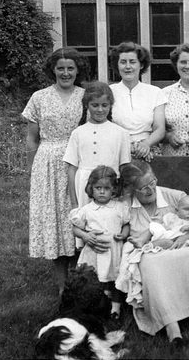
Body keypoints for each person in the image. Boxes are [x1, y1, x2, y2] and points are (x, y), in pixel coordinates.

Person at [115, 162, 189, 346]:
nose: (150, 190)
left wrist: (188, 235)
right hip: (149, 253)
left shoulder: (176, 197)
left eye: (152, 182)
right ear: (131, 189)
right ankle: (173, 327)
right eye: (143, 188)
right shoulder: (124, 205)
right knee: (150, 263)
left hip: (180, 247)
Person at [22, 47, 90, 297]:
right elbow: (32, 139)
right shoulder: (39, 97)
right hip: (48, 163)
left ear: (77, 70)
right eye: (60, 68)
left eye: (70, 68)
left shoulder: (85, 96)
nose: (65, 72)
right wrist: (32, 171)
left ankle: (80, 279)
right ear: (53, 70)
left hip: (79, 162)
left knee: (78, 216)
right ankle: (63, 286)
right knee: (54, 221)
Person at [70, 166, 130, 320]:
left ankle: (115, 307)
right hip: (94, 252)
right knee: (97, 279)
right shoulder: (86, 210)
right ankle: (100, 305)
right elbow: (75, 228)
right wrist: (85, 235)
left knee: (114, 278)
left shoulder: (119, 207)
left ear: (114, 189)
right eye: (98, 188)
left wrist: (123, 234)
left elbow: (126, 224)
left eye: (106, 188)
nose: (102, 192)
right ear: (91, 189)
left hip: (114, 250)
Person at [64, 81, 131, 211]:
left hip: (110, 186)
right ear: (87, 105)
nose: (100, 110)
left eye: (104, 105)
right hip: (84, 185)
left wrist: (123, 195)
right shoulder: (78, 133)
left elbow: (124, 168)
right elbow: (71, 169)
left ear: (110, 105)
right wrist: (74, 203)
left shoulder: (121, 133)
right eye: (95, 105)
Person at [109, 42, 166, 162]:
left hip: (148, 150)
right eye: (123, 62)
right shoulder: (109, 92)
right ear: (117, 65)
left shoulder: (155, 92)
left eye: (133, 62)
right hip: (116, 151)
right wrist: (126, 147)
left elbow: (160, 128)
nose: (128, 66)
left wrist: (146, 144)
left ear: (141, 65)